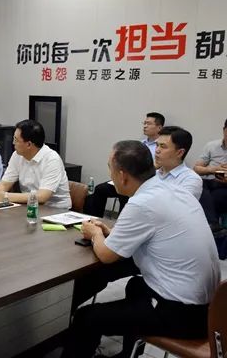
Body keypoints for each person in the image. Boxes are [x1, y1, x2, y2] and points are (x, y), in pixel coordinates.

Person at [62, 140, 219, 358]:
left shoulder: (141, 203)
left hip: (182, 314)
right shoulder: (172, 190)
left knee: (86, 318)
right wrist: (111, 233)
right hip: (208, 306)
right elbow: (153, 233)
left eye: (110, 168)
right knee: (136, 286)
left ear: (122, 175)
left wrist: (95, 234)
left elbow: (107, 256)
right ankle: (128, 353)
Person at [84, 112, 165, 217]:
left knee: (125, 194)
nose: (145, 126)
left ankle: (123, 221)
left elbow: (157, 167)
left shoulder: (161, 148)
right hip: (127, 176)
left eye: (148, 123)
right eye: (144, 123)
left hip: (142, 181)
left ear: (159, 127)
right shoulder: (140, 144)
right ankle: (94, 219)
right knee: (100, 189)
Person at [0, 119, 71, 208]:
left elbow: (42, 196)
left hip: (55, 209)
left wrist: (5, 196)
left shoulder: (52, 159)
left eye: (16, 140)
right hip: (29, 206)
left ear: (28, 144)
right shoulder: (17, 155)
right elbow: (5, 184)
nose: (13, 143)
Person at [194, 119, 227, 231]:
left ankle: (213, 224)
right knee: (197, 185)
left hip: (224, 187)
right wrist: (214, 169)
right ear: (224, 130)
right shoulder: (212, 146)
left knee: (214, 197)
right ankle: (213, 225)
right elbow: (197, 168)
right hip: (210, 181)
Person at [154, 126, 202, 199]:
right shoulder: (153, 174)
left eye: (163, 146)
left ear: (180, 153)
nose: (157, 150)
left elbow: (176, 205)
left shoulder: (191, 179)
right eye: (157, 145)